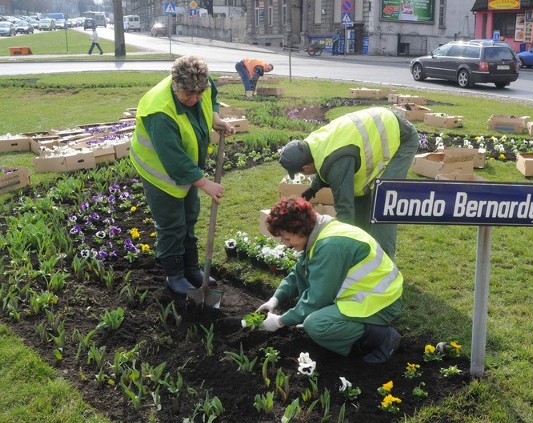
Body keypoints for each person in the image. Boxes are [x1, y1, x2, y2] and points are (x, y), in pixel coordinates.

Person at [130, 55, 235, 296]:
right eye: (188, 95)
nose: (194, 99)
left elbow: (213, 98)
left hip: (185, 167)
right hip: (159, 171)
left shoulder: (201, 85)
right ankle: (174, 275)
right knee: (171, 224)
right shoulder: (159, 112)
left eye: (198, 94)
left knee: (189, 216)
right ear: (174, 85)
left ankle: (192, 268)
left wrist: (216, 119)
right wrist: (204, 183)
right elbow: (174, 160)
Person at [257, 197, 403, 364]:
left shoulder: (330, 246)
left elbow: (317, 299)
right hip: (366, 294)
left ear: (301, 230)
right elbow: (298, 273)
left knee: (316, 324)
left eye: (287, 239)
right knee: (311, 315)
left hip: (381, 301)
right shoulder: (320, 231)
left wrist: (281, 321)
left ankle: (381, 337)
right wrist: (275, 299)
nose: (285, 244)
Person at [278, 107, 419, 260]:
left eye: (301, 172)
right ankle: (363, 253)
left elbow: (345, 208)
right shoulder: (312, 144)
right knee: (360, 201)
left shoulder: (337, 161)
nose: (304, 175)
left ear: (305, 167)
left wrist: (341, 245)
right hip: (380, 129)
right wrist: (314, 187)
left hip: (401, 138)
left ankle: (384, 265)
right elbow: (324, 162)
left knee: (383, 205)